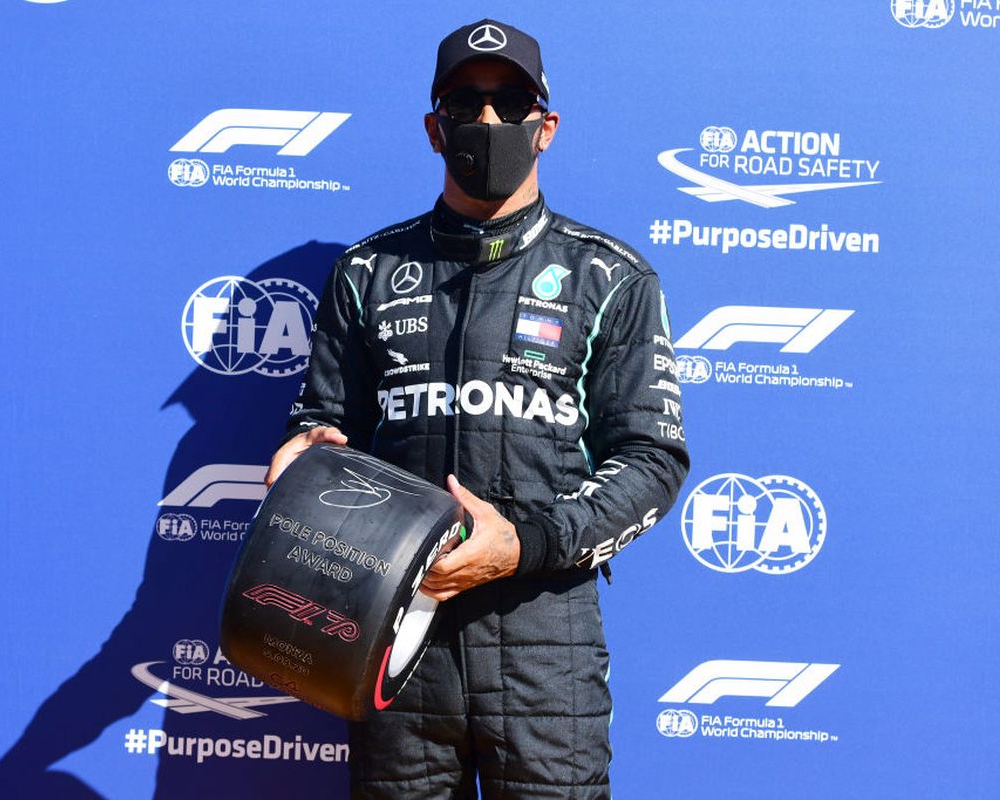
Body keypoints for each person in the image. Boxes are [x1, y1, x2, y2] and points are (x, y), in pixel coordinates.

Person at [265, 18, 689, 800]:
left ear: (546, 126)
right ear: (435, 128)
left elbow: (653, 460)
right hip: (394, 630)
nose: (488, 122)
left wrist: (522, 544)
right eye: (466, 102)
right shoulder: (366, 270)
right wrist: (307, 451)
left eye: (510, 102)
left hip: (544, 644)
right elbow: (324, 425)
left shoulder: (612, 277)